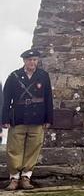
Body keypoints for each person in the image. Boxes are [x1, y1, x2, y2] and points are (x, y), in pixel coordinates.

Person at [2, 49, 53, 191]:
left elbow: (48, 98)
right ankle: (14, 178)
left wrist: (48, 118)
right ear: (24, 61)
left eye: (35, 60)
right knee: (14, 149)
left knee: (34, 147)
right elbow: (6, 100)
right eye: (29, 60)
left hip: (37, 118)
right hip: (18, 117)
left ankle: (26, 177)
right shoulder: (14, 76)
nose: (32, 62)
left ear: (37, 61)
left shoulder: (43, 76)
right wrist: (4, 118)